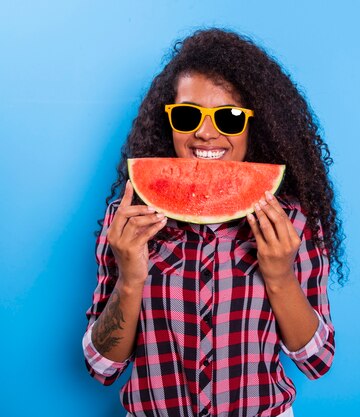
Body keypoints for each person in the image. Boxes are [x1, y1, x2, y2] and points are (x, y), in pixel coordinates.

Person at [82, 28, 345, 417]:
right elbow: (102, 367)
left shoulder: (290, 220)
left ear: (255, 123)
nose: (205, 132)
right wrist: (129, 279)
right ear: (168, 121)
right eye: (188, 115)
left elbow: (317, 360)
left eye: (230, 116)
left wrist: (279, 277)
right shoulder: (129, 220)